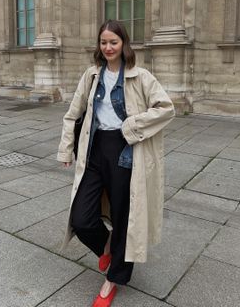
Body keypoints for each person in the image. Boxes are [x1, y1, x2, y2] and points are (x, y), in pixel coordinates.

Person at [57, 19, 175, 306]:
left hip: (126, 151)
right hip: (95, 150)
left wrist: (132, 126)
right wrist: (66, 149)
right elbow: (74, 113)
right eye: (103, 42)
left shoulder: (141, 76)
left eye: (114, 42)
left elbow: (166, 108)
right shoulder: (92, 75)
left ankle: (113, 279)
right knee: (82, 218)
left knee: (125, 217)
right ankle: (107, 245)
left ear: (124, 44)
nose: (108, 47)